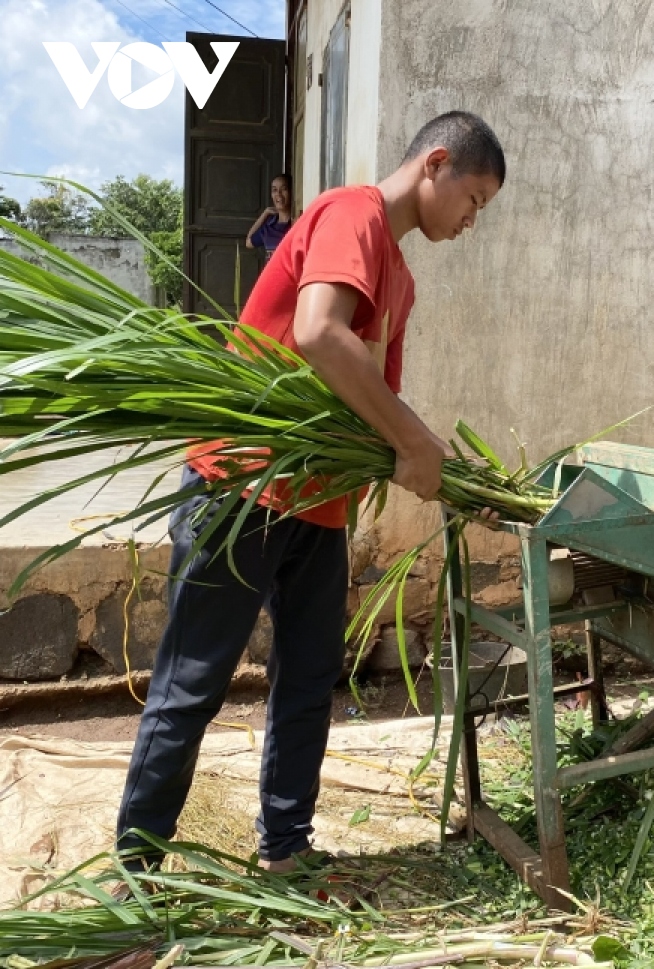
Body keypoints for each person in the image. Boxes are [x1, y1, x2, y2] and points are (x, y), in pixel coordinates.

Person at [116, 112, 506, 871]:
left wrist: (449, 480)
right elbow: (319, 332)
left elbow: (375, 427)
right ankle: (133, 873)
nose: (470, 221)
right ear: (436, 163)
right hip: (243, 489)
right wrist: (417, 442)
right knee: (191, 688)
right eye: (475, 198)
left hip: (317, 509)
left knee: (307, 686)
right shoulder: (348, 214)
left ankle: (287, 851)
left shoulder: (402, 279)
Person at [245, 174, 294, 258]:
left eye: (284, 189)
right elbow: (248, 242)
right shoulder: (269, 225)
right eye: (274, 190)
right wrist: (264, 214)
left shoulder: (296, 223)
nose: (278, 194)